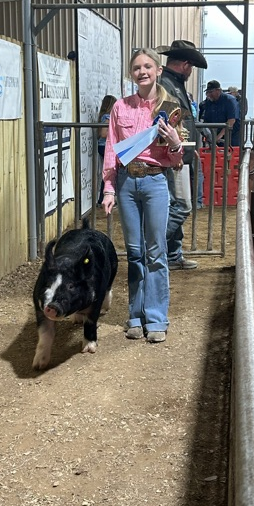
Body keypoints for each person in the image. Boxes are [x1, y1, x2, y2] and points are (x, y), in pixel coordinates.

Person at [102, 48, 185, 344]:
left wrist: (175, 143)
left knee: (156, 252)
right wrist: (109, 187)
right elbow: (112, 148)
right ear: (131, 73)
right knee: (135, 253)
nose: (142, 71)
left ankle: (157, 318)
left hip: (154, 182)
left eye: (147, 66)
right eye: (136, 67)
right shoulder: (120, 108)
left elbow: (176, 161)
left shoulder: (170, 108)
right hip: (126, 182)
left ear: (158, 70)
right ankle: (135, 317)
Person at [157, 39, 208, 270]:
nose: (191, 72)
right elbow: (169, 123)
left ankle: (171, 254)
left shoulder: (170, 84)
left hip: (178, 153)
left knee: (177, 205)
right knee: (180, 206)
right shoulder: (167, 86)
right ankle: (155, 249)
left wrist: (189, 147)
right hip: (172, 156)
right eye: (191, 67)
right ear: (186, 64)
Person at [200, 80, 239, 147]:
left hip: (231, 138)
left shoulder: (229, 100)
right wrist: (208, 137)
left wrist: (218, 137)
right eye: (207, 92)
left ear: (218, 90)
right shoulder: (209, 102)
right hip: (215, 137)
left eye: (211, 92)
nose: (209, 95)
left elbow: (231, 121)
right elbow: (206, 121)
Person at [96, 94, 117, 204]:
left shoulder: (105, 116)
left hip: (104, 146)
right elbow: (104, 133)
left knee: (109, 172)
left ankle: (103, 198)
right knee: (109, 172)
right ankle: (102, 198)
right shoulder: (107, 117)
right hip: (105, 146)